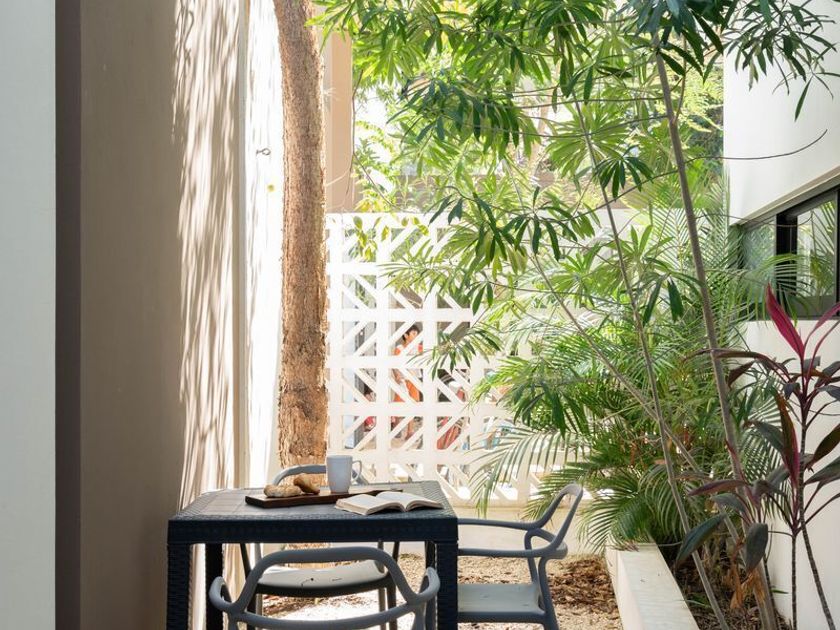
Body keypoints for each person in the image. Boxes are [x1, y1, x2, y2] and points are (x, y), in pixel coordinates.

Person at [393, 324, 422, 439]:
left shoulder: (418, 348)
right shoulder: (399, 348)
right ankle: (396, 426)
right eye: (414, 334)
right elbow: (394, 364)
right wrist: (397, 375)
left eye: (417, 334)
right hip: (403, 380)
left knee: (412, 404)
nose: (416, 336)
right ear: (406, 335)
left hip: (414, 380)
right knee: (399, 405)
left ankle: (410, 431)